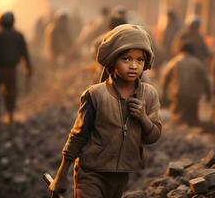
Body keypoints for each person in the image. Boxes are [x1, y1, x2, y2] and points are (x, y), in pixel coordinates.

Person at [49, 24, 162, 198]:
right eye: (126, 59)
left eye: (139, 60)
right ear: (112, 61)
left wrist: (143, 118)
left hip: (120, 177)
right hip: (90, 173)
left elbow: (152, 137)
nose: (133, 65)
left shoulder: (149, 95)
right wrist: (61, 176)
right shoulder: (95, 95)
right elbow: (78, 137)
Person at [0, 12, 32, 124]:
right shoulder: (18, 35)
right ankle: (10, 114)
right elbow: (25, 53)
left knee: (4, 91)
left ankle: (4, 114)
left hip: (0, 69)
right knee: (12, 90)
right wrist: (28, 67)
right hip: (12, 69)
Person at [162, 42, 211, 126]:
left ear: (180, 51)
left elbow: (166, 77)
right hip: (193, 97)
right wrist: (208, 94)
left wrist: (164, 93)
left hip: (178, 96)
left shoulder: (174, 62)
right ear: (193, 52)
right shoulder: (197, 63)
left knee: (177, 120)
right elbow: (205, 80)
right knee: (192, 121)